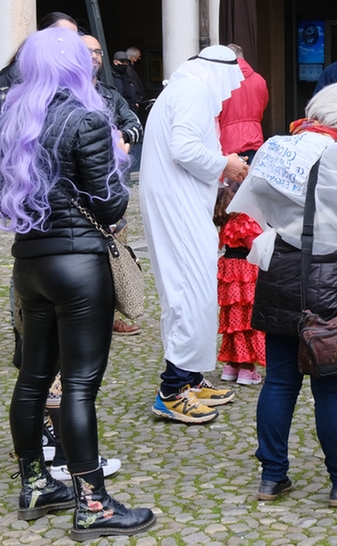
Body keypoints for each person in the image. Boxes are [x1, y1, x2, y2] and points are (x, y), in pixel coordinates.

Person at [0, 26, 155, 540]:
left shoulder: (7, 122)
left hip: (29, 264)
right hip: (78, 262)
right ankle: (94, 504)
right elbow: (112, 204)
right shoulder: (86, 119)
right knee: (79, 386)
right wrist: (118, 161)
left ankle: (36, 485)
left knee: (34, 377)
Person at [229, 81, 337, 508]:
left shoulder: (279, 145)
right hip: (327, 278)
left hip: (281, 268)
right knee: (331, 390)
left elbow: (260, 205)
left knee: (280, 381)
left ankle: (272, 476)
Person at [140, 45, 248, 424]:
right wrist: (227, 164)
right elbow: (184, 148)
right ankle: (172, 391)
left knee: (192, 290)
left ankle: (189, 380)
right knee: (190, 291)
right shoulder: (194, 91)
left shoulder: (186, 88)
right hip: (178, 205)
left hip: (180, 201)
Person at [82, 34, 144, 336]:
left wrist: (122, 138)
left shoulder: (109, 94)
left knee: (114, 258)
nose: (95, 57)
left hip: (111, 189)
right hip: (78, 198)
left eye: (98, 52)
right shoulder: (59, 96)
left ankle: (107, 318)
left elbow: (134, 124)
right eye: (88, 51)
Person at [216, 44, 270, 385]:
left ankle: (232, 364)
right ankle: (247, 366)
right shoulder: (260, 80)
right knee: (248, 315)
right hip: (254, 140)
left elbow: (218, 114)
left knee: (234, 316)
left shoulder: (222, 82)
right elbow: (260, 109)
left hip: (227, 148)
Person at [0, 12, 79, 121]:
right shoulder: (14, 73)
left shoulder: (68, 72)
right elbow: (0, 123)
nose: (72, 42)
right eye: (64, 35)